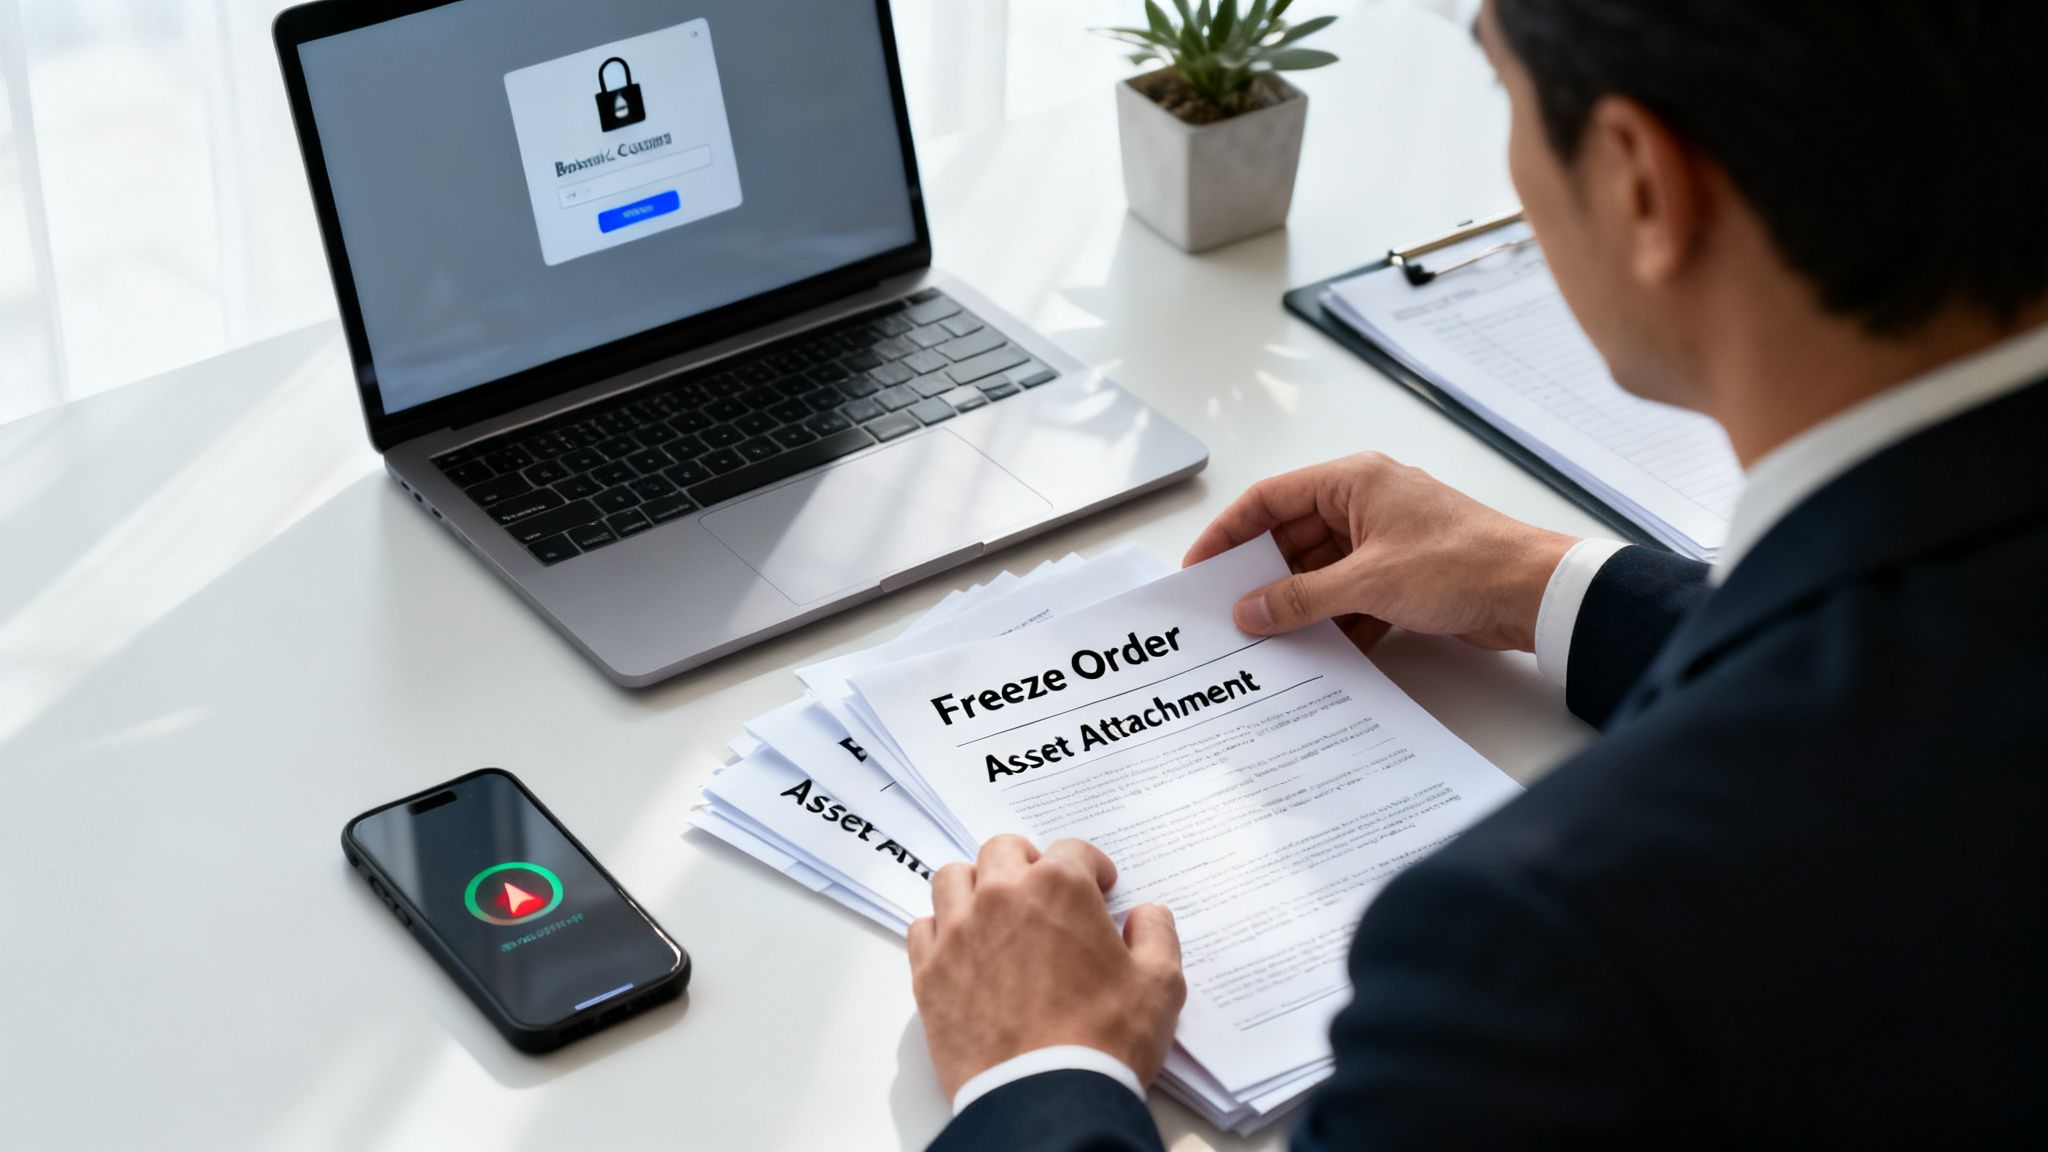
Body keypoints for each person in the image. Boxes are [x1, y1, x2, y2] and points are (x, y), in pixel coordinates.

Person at [904, 0, 2048, 1146]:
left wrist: (1036, 1068)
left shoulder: (1546, 948)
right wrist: (1555, 587)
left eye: (1503, 95)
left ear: (1642, 184)